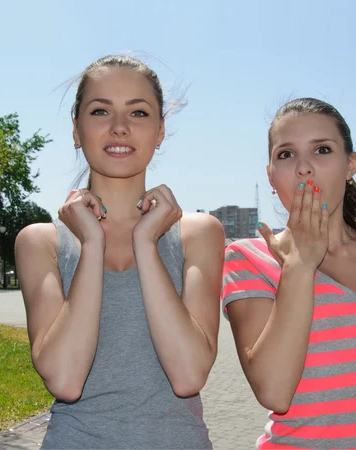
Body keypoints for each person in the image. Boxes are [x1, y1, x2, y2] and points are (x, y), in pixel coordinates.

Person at [15, 55, 224, 449]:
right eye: (100, 111)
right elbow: (65, 379)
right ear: (76, 130)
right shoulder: (40, 242)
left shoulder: (198, 234)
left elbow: (189, 375)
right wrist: (92, 244)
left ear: (161, 131)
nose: (120, 128)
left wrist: (146, 243)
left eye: (139, 113)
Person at [221, 98, 356, 449]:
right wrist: (299, 265)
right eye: (286, 154)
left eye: (322, 150)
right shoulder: (248, 259)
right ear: (270, 174)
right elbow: (274, 391)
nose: (304, 168)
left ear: (350, 164)